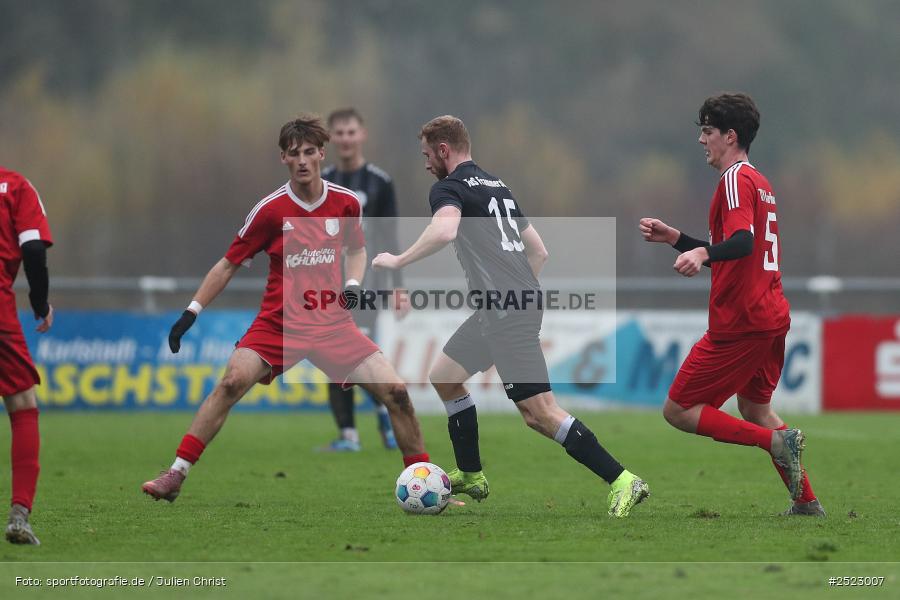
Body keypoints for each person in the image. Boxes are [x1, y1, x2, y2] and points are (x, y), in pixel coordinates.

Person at [142, 115, 430, 502]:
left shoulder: (344, 203)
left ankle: (424, 481)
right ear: (284, 158)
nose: (303, 160)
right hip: (279, 324)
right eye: (294, 154)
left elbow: (358, 249)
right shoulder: (270, 211)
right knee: (230, 383)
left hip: (332, 325)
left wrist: (352, 285)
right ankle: (175, 474)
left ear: (321, 154)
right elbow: (227, 264)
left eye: (310, 152)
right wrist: (191, 311)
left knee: (397, 392)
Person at [372, 115, 650, 518]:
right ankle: (471, 473)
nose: (426, 163)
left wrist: (399, 259)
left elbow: (445, 231)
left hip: (506, 311)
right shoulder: (497, 186)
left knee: (539, 413)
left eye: (427, 154)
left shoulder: (447, 188)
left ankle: (623, 480)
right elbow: (539, 251)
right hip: (505, 307)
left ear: (443, 150)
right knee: (445, 377)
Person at [639, 92, 824, 516]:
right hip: (770, 315)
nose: (702, 140)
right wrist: (677, 240)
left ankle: (779, 442)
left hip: (741, 320)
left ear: (730, 136)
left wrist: (702, 254)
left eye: (707, 132)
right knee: (755, 406)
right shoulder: (760, 182)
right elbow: (741, 248)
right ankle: (806, 501)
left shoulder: (735, 180)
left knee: (679, 410)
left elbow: (740, 243)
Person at [319, 108, 408, 452]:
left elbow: (390, 237)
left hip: (367, 286)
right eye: (338, 133)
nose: (345, 138)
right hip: (326, 286)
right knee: (331, 358)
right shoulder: (320, 180)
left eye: (350, 132)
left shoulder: (379, 182)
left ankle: (386, 418)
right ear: (330, 138)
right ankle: (349, 436)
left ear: (362, 134)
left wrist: (398, 285)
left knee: (359, 355)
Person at [1, 166, 54, 544]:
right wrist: (39, 302)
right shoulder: (15, 185)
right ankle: (19, 515)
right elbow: (32, 246)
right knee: (22, 405)